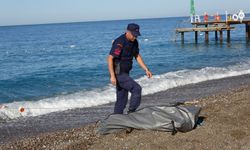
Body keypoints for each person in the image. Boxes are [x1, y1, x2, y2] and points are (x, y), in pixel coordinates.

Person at [107, 23, 153, 114]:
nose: (135, 37)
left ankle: (117, 118)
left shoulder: (135, 42)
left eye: (136, 35)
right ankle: (131, 112)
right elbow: (110, 58)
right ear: (127, 32)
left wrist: (146, 69)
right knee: (136, 89)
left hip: (126, 72)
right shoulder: (119, 42)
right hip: (119, 73)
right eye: (133, 35)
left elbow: (137, 56)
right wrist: (112, 76)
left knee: (122, 99)